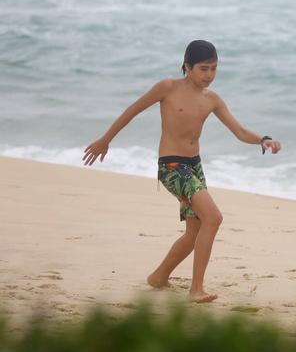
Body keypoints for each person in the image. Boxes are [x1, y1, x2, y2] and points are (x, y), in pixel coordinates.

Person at [83, 40, 281, 303]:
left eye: (214, 69)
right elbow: (133, 110)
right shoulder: (168, 88)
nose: (209, 75)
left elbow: (239, 131)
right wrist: (105, 140)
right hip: (172, 166)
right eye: (203, 69)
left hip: (194, 166)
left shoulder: (212, 100)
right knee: (213, 217)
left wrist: (262, 140)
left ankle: (159, 276)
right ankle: (195, 289)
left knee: (195, 231)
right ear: (187, 66)